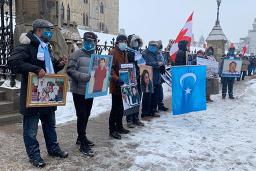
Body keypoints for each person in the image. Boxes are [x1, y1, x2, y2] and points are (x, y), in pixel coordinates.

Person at [8, 19, 68, 168]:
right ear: (39, 31)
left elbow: (48, 68)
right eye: (48, 30)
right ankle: (34, 156)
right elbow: (13, 62)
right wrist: (35, 69)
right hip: (32, 97)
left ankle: (53, 149)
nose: (51, 33)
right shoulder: (27, 45)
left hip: (47, 96)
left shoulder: (45, 47)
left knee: (50, 126)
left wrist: (58, 64)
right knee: (31, 131)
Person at [67, 32, 98, 157]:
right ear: (83, 41)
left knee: (87, 114)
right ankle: (82, 145)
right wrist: (83, 77)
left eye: (91, 42)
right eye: (86, 41)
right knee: (82, 115)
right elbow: (70, 70)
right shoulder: (77, 54)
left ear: (95, 43)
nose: (88, 44)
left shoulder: (95, 56)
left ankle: (81, 137)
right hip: (79, 90)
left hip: (90, 91)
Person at [109, 34, 130, 139]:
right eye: (123, 42)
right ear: (117, 43)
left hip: (124, 85)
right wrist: (117, 79)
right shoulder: (113, 52)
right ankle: (112, 130)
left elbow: (126, 68)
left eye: (126, 42)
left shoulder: (124, 53)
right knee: (115, 108)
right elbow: (110, 69)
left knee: (121, 108)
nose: (124, 44)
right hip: (116, 85)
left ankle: (120, 126)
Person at [125, 34, 144, 128]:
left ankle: (136, 118)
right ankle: (129, 120)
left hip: (138, 77)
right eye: (134, 41)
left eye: (137, 41)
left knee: (138, 98)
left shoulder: (138, 52)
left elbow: (142, 63)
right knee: (131, 99)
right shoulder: (127, 52)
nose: (136, 43)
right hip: (131, 78)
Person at [142, 41, 162, 118]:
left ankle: (152, 111)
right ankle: (145, 113)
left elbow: (162, 61)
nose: (154, 47)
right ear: (149, 46)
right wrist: (156, 64)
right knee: (147, 96)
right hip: (148, 78)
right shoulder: (145, 53)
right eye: (153, 46)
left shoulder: (158, 53)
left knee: (155, 96)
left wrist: (162, 64)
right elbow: (145, 63)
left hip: (157, 77)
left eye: (155, 46)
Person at [157, 40, 169, 112]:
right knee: (158, 91)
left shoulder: (160, 53)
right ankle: (158, 105)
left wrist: (163, 65)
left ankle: (160, 104)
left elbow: (163, 61)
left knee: (160, 91)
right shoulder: (156, 53)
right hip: (156, 74)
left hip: (160, 75)